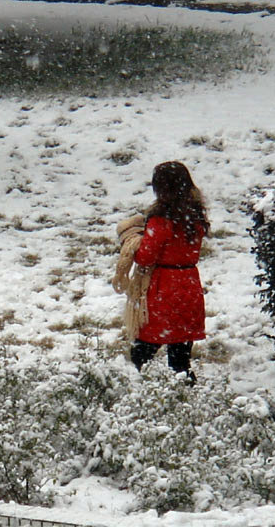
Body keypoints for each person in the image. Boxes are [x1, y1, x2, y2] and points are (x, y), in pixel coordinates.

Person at [115, 161, 210, 383]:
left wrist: (131, 239)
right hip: (189, 286)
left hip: (163, 290)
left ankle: (135, 391)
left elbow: (145, 257)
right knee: (180, 357)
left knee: (142, 352)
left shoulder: (161, 220)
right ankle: (186, 397)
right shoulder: (195, 216)